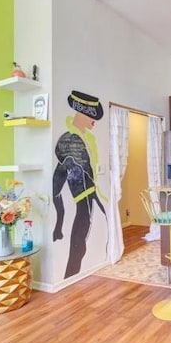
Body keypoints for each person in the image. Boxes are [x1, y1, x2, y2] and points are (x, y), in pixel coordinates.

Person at [52, 90, 107, 278]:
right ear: (81, 113)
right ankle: (70, 276)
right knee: (79, 241)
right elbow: (58, 177)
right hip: (81, 199)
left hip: (91, 196)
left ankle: (72, 275)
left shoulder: (87, 138)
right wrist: (58, 222)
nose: (95, 121)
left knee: (82, 240)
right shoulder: (69, 140)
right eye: (92, 116)